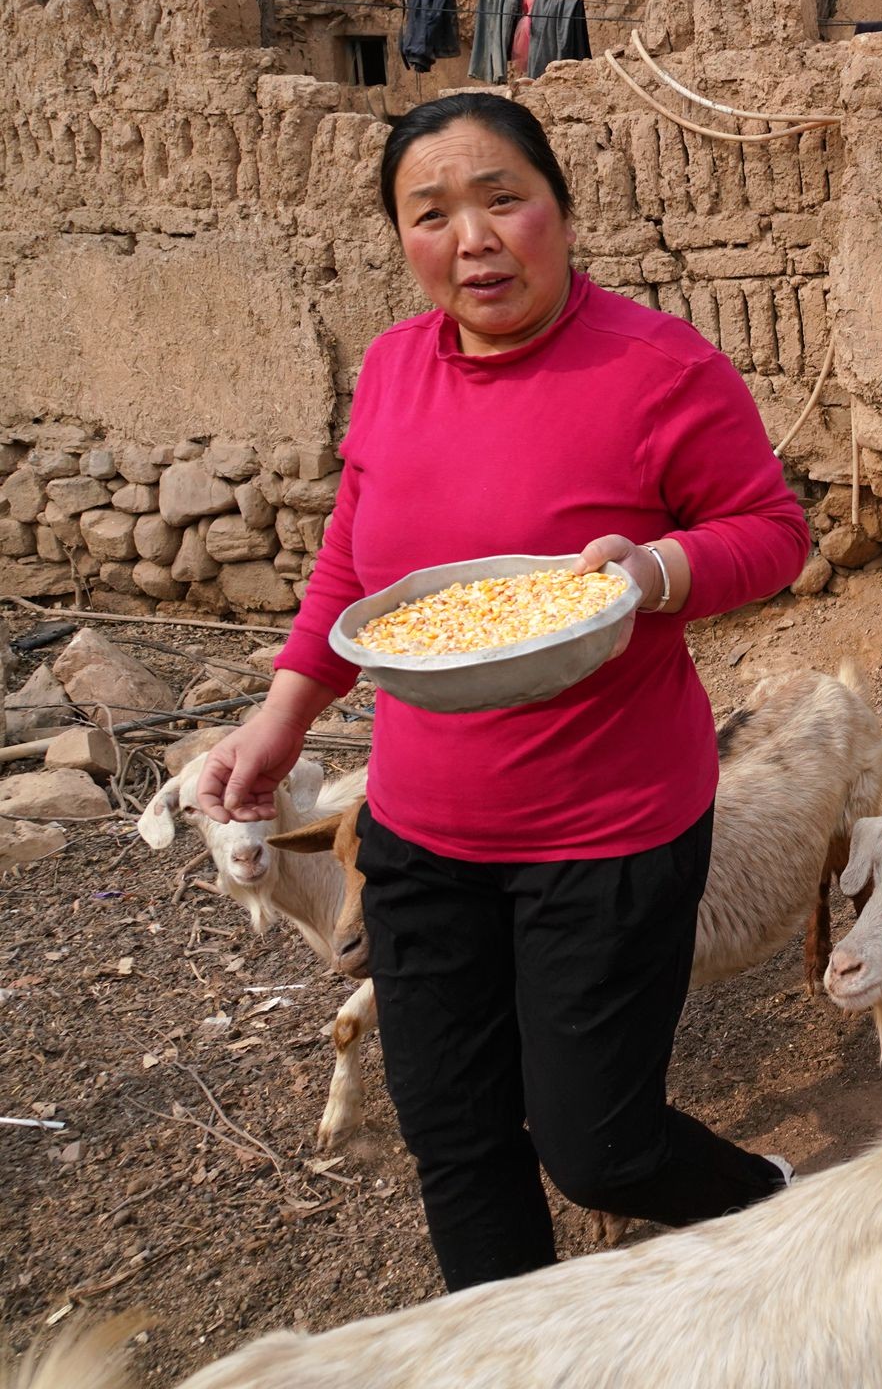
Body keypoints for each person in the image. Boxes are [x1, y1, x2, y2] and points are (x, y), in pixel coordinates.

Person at [194, 92, 811, 1291]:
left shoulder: (658, 367)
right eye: (431, 214)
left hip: (611, 830)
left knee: (600, 1147)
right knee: (457, 1137)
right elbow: (351, 569)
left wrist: (659, 568)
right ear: (402, 238)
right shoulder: (389, 370)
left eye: (502, 200)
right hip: (425, 832)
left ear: (562, 214)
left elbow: (771, 533)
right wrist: (278, 724)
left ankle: (772, 1210)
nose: (472, 238)